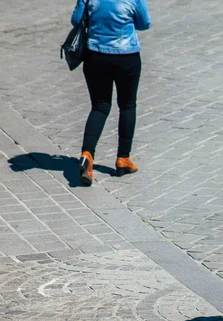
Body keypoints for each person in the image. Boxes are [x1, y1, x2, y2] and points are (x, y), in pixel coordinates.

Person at [70, 0, 151, 186]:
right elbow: (144, 23)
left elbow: (76, 20)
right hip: (127, 58)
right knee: (127, 105)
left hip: (95, 57)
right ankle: (123, 158)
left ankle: (87, 154)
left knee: (99, 107)